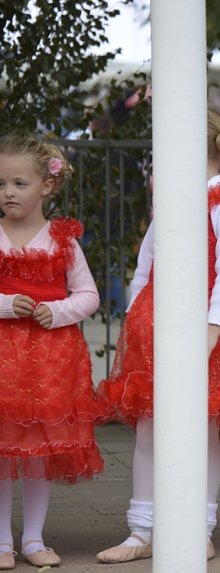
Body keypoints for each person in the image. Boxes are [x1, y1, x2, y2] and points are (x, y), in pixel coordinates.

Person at [96, 108, 220, 564]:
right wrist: (138, 316)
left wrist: (211, 328)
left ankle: (201, 527)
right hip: (157, 324)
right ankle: (142, 530)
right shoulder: (171, 201)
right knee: (149, 428)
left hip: (208, 328)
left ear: (213, 148)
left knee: (202, 428)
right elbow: (146, 263)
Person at [0, 134, 103, 568]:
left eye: (19, 183)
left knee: (39, 449)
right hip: (3, 359)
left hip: (50, 360)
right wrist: (5, 305)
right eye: (1, 183)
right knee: (3, 449)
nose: (8, 192)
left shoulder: (63, 240)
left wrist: (57, 311)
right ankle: (2, 540)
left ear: (47, 185)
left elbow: (89, 295)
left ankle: (35, 539)